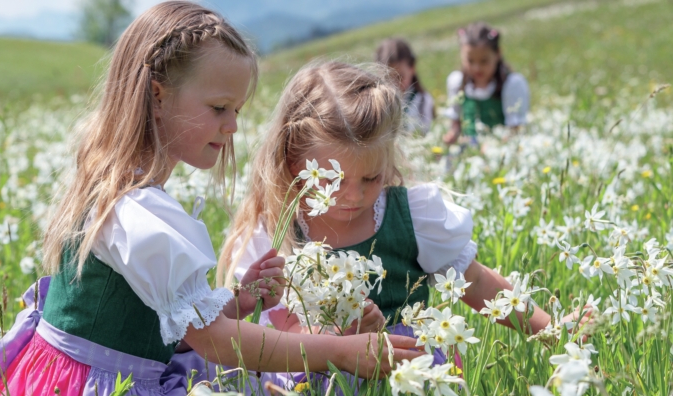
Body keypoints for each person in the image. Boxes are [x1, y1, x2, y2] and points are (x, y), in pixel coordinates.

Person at [0, 3, 418, 396]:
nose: (233, 126)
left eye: (236, 109)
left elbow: (149, 317)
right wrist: (335, 352)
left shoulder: (115, 183)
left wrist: (236, 302)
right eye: (219, 107)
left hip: (61, 389)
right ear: (157, 95)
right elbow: (216, 342)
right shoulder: (141, 212)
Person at [220, 61, 586, 360]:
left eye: (372, 177)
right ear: (293, 160)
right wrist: (333, 338)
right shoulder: (276, 234)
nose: (354, 195)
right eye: (331, 181)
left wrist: (549, 330)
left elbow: (477, 282)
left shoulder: (413, 216)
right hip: (317, 383)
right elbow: (266, 331)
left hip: (414, 368)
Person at [443, 22, 530, 145]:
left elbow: (515, 129)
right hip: (468, 152)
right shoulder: (457, 83)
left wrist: (494, 146)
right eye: (470, 61)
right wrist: (452, 135)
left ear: (498, 54)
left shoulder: (511, 84)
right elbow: (455, 125)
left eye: (484, 61)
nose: (477, 68)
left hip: (500, 151)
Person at [375, 38, 434, 134]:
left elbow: (426, 133)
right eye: (388, 78)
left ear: (412, 68)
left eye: (400, 77)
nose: (394, 84)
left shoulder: (423, 100)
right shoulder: (379, 105)